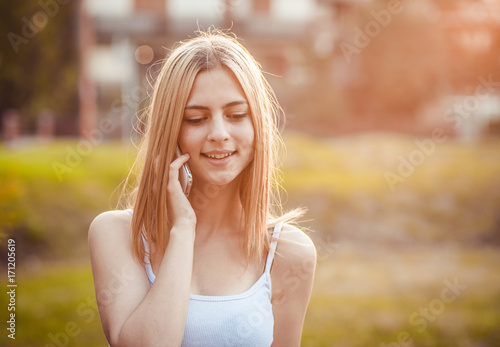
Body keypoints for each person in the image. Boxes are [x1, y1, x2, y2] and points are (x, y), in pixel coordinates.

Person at [88, 29, 317, 347]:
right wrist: (183, 229)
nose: (219, 133)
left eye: (236, 115)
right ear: (171, 131)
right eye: (196, 119)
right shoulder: (117, 234)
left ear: (257, 126)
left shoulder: (289, 253)